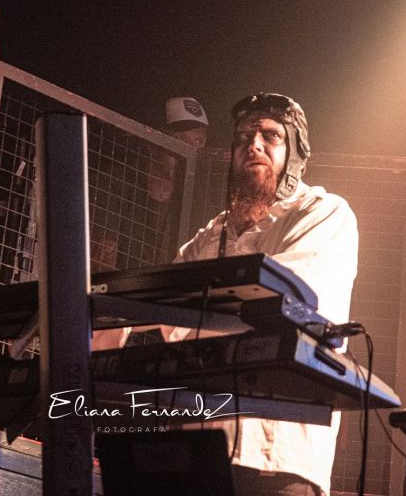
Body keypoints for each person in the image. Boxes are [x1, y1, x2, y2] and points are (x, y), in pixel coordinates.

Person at [99, 92, 358, 494]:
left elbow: (283, 304)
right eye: (243, 138)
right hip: (204, 445)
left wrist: (191, 320)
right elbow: (158, 303)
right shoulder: (211, 234)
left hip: (279, 456)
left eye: (271, 136)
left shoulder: (323, 213)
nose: (253, 145)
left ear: (295, 152)